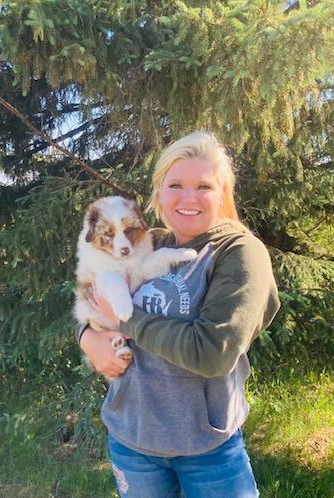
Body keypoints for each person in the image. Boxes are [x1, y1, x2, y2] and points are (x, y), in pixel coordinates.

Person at [78, 131, 280, 497]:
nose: (189, 198)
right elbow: (93, 289)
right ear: (159, 192)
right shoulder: (148, 241)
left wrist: (128, 321)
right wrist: (87, 337)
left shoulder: (239, 253)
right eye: (175, 185)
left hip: (207, 447)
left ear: (223, 193)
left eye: (203, 186)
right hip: (132, 437)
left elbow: (213, 353)